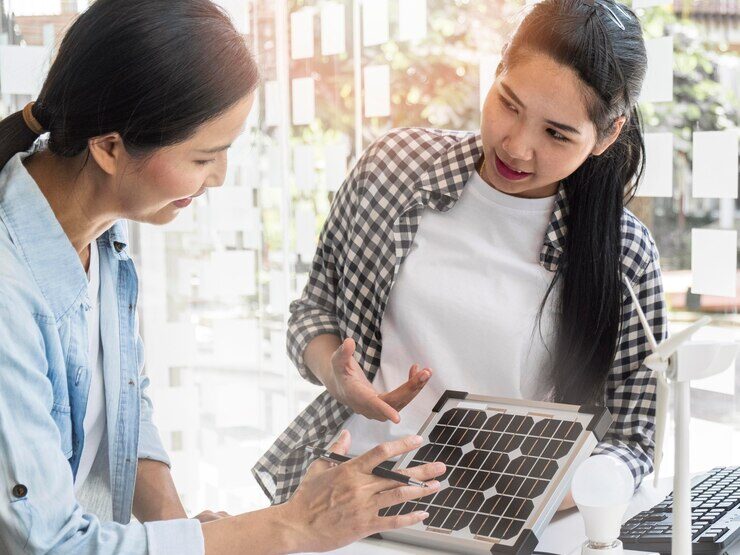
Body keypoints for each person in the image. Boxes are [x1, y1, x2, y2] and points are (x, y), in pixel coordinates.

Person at [0, 1, 446, 553]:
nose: (219, 178)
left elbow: (124, 411)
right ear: (110, 147)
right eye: (203, 157)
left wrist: (186, 531)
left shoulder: (100, 235)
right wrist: (294, 525)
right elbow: (48, 543)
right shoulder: (10, 290)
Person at [255, 0, 668, 514]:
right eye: (508, 104)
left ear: (607, 135)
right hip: (359, 496)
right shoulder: (395, 169)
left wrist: (542, 503)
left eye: (556, 133)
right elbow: (313, 311)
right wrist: (337, 376)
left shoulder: (623, 253)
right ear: (495, 71)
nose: (517, 146)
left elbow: (634, 435)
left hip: (518, 513)